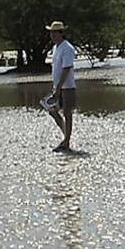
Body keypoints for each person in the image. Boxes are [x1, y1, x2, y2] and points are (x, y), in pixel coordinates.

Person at [44, 21, 77, 152]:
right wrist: (55, 86)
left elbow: (66, 68)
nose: (51, 35)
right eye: (51, 32)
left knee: (67, 113)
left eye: (54, 32)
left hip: (67, 87)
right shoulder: (55, 48)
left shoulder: (67, 48)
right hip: (57, 86)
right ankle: (66, 136)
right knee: (51, 109)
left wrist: (59, 86)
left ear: (60, 33)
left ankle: (66, 141)